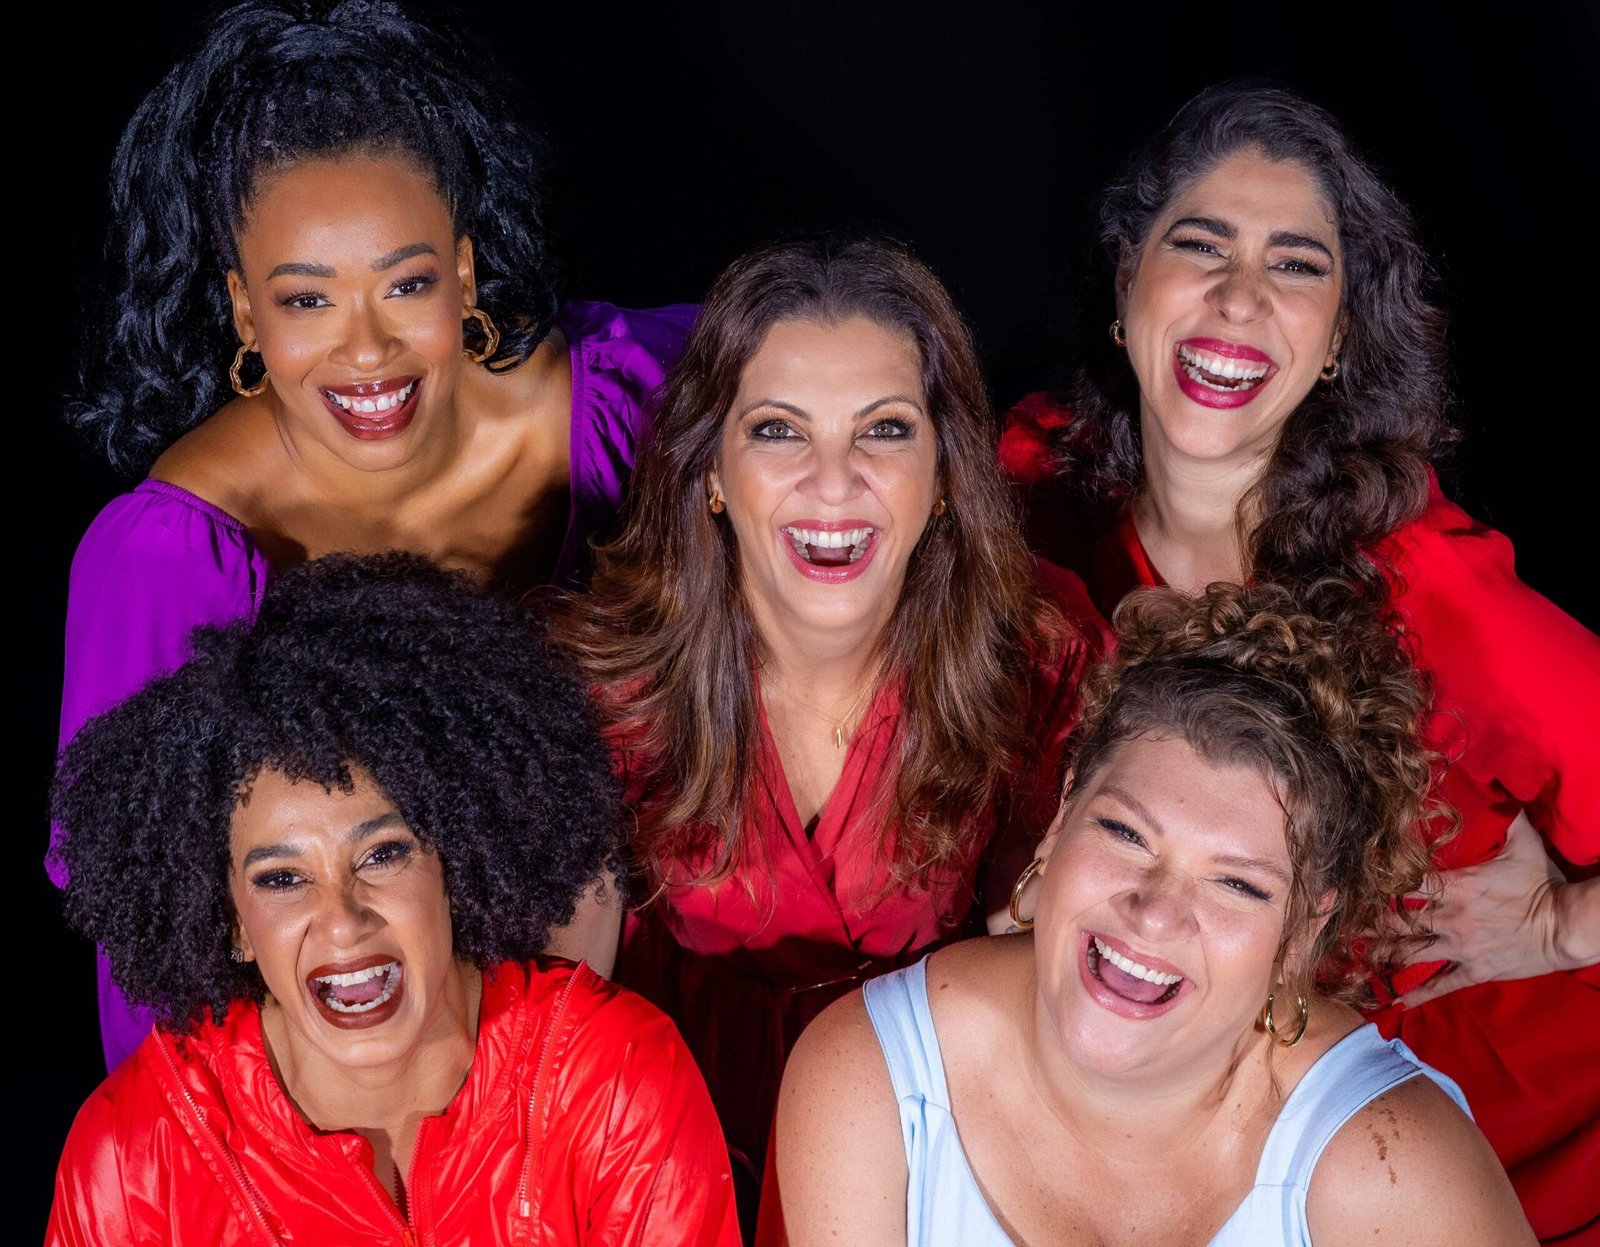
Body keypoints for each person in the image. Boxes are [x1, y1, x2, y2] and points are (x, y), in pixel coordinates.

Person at [999, 82, 1599, 1240]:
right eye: (1200, 245)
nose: (1238, 297)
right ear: (1126, 280)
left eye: (1295, 265)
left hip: (1518, 1167)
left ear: (1336, 342)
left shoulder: (1439, 605)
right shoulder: (1034, 493)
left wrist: (1556, 928)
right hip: (1223, 1148)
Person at [54, 0, 695, 1072]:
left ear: (466, 272)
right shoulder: (174, 554)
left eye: (406, 285)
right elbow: (149, 948)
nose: (366, 351)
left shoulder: (627, 403)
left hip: (666, 998)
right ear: (245, 313)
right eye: (306, 302)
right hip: (358, 1060)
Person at [557, 235, 1110, 1213]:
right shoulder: (600, 680)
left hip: (941, 1131)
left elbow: (1039, 967)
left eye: (883, 430)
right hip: (668, 1149)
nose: (833, 479)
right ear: (710, 470)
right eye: (778, 430)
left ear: (945, 472)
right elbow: (561, 1022)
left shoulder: (1039, 651)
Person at [770, 582, 1535, 1247]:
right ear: (1060, 816)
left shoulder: (1390, 1167)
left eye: (1237, 884)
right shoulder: (870, 1080)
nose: (1155, 913)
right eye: (1126, 833)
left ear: (1303, 930)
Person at [46, 552, 740, 1247]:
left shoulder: (612, 1080)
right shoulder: (136, 1157)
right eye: (281, 879)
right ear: (234, 924)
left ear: (455, 859)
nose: (342, 922)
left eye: (382, 854)